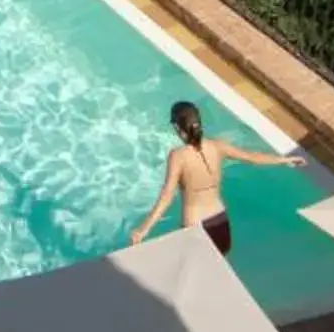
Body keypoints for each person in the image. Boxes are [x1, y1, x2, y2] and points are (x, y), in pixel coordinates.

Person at [128, 100, 305, 259]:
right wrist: (285, 159)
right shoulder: (218, 146)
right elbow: (253, 157)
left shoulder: (178, 156)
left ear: (177, 128)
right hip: (221, 224)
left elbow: (167, 196)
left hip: (195, 227)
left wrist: (142, 230)